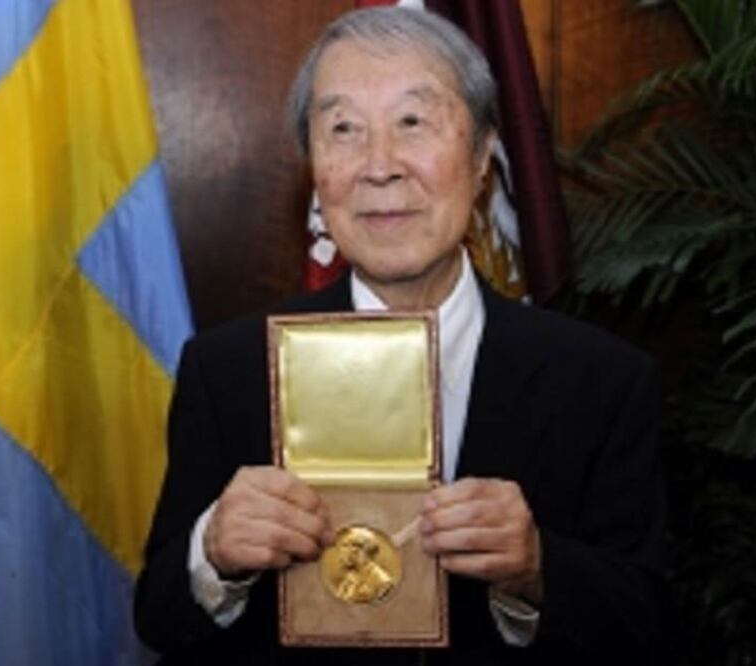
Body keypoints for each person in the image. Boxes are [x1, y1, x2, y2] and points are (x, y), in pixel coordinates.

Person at [134, 7, 665, 665]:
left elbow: (650, 622)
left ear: (481, 159)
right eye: (344, 129)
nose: (379, 166)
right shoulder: (230, 368)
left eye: (413, 122)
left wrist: (536, 568)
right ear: (314, 173)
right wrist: (213, 554)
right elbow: (159, 617)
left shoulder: (601, 380)